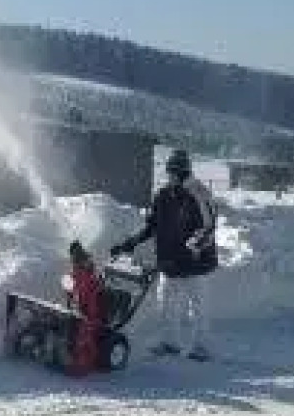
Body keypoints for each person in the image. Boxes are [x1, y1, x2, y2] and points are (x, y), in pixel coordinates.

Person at [110, 148, 218, 360]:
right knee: (166, 303)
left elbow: (208, 227)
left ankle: (202, 347)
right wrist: (129, 243)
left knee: (197, 306)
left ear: (185, 171)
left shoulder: (199, 193)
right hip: (170, 262)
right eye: (170, 172)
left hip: (195, 263)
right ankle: (170, 342)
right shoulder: (163, 195)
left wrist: (191, 249)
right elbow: (151, 227)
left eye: (176, 172)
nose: (172, 176)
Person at [64, 240, 103, 376]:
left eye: (75, 258)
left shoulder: (89, 276)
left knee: (85, 334)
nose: (73, 261)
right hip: (80, 310)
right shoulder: (75, 271)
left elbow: (93, 298)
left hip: (92, 314)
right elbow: (70, 289)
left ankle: (83, 364)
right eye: (72, 258)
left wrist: (89, 316)